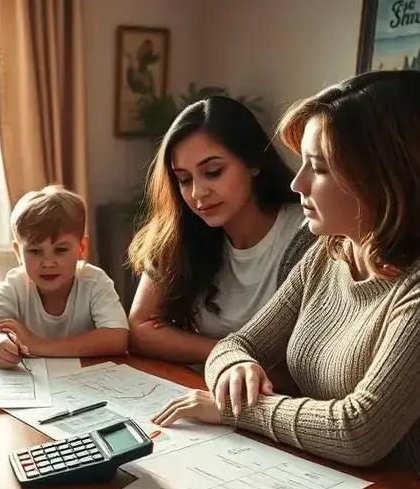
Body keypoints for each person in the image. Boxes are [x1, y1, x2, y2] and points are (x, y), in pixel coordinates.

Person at [150, 71, 420, 489]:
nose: (298, 184)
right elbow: (238, 344)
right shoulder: (334, 248)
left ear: (386, 174)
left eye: (321, 167)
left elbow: (359, 431)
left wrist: (236, 410)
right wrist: (235, 366)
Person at [127, 96, 315, 369]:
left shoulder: (306, 233)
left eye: (213, 172)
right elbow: (140, 328)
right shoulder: (181, 230)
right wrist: (229, 354)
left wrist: (213, 353)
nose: (197, 193)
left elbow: (297, 368)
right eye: (184, 179)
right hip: (198, 387)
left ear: (253, 163)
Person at [0, 185, 128, 367]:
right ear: (18, 252)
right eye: (35, 251)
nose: (48, 263)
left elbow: (117, 338)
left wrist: (38, 345)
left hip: (88, 383)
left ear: (81, 248)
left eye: (60, 250)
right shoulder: (17, 285)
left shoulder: (94, 282)